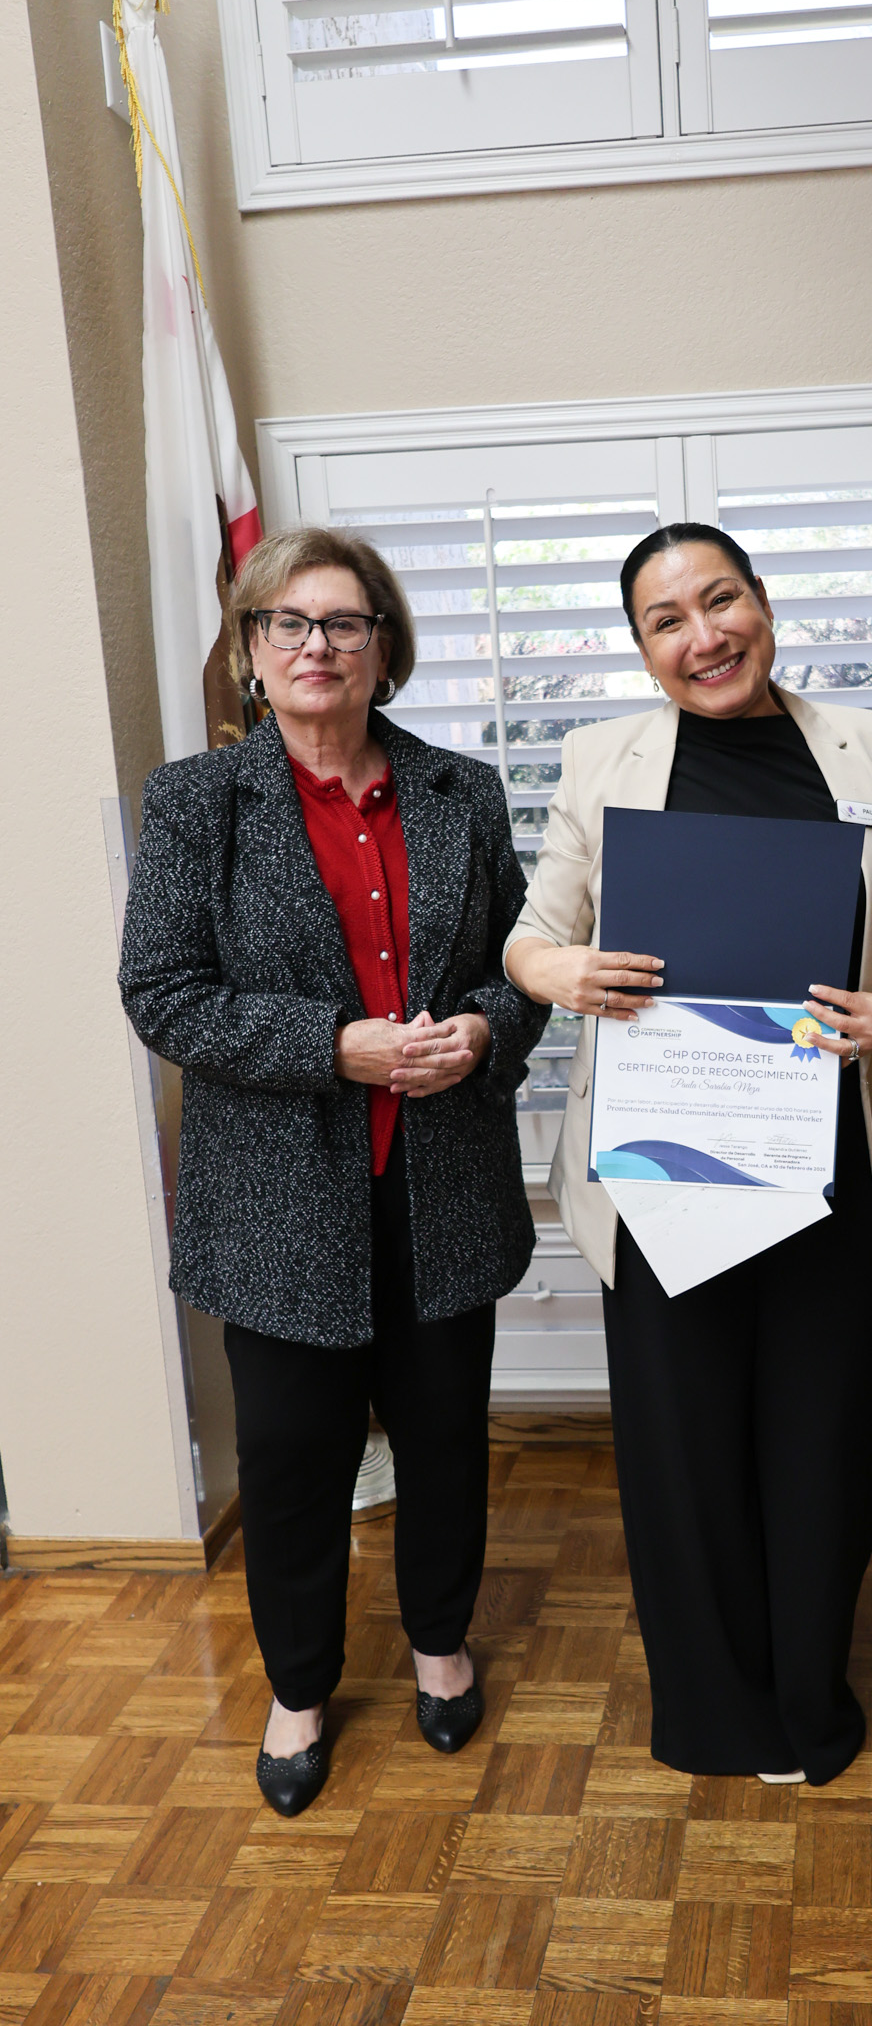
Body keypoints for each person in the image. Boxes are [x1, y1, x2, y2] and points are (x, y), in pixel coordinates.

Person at [119, 527, 548, 1817]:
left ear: (383, 646)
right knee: (294, 1457)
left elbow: (521, 965)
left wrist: (483, 1031)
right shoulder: (196, 803)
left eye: (345, 623)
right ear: (251, 650)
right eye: (288, 623)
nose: (318, 646)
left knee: (445, 1441)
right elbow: (162, 993)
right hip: (277, 1202)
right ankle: (300, 1688)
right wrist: (334, 1046)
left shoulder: (463, 793)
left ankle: (440, 1645)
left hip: (441, 1184)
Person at [504, 523, 872, 1785]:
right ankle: (711, 1714)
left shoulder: (869, 747)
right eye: (667, 620)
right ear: (642, 648)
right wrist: (566, 976)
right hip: (662, 1165)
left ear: (764, 603)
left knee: (821, 1446)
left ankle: (808, 1700)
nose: (704, 636)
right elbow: (531, 939)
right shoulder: (601, 760)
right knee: (683, 1452)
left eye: (722, 599)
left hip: (828, 1160)